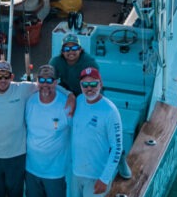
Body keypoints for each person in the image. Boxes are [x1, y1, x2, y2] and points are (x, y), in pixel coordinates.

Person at [0, 61, 75, 197]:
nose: (2, 80)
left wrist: (70, 94)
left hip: (17, 157)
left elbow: (49, 85)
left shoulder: (23, 89)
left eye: (6, 76)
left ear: (12, 77)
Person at [53, 33, 131, 181]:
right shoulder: (56, 62)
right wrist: (69, 95)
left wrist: (85, 104)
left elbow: (95, 88)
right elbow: (51, 82)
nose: (71, 52)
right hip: (68, 95)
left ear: (80, 49)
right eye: (67, 49)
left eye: (74, 47)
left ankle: (120, 156)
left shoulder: (90, 62)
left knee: (102, 127)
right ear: (62, 51)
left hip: (88, 94)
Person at [70, 67, 123, 197]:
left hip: (96, 177)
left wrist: (104, 178)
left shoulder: (110, 111)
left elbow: (117, 147)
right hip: (76, 174)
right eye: (85, 85)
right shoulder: (79, 100)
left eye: (93, 84)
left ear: (101, 84)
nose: (89, 88)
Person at [24, 65, 72, 197]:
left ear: (56, 82)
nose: (45, 85)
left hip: (55, 171)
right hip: (32, 168)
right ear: (37, 82)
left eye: (49, 81)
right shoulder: (30, 101)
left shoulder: (66, 104)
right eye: (42, 80)